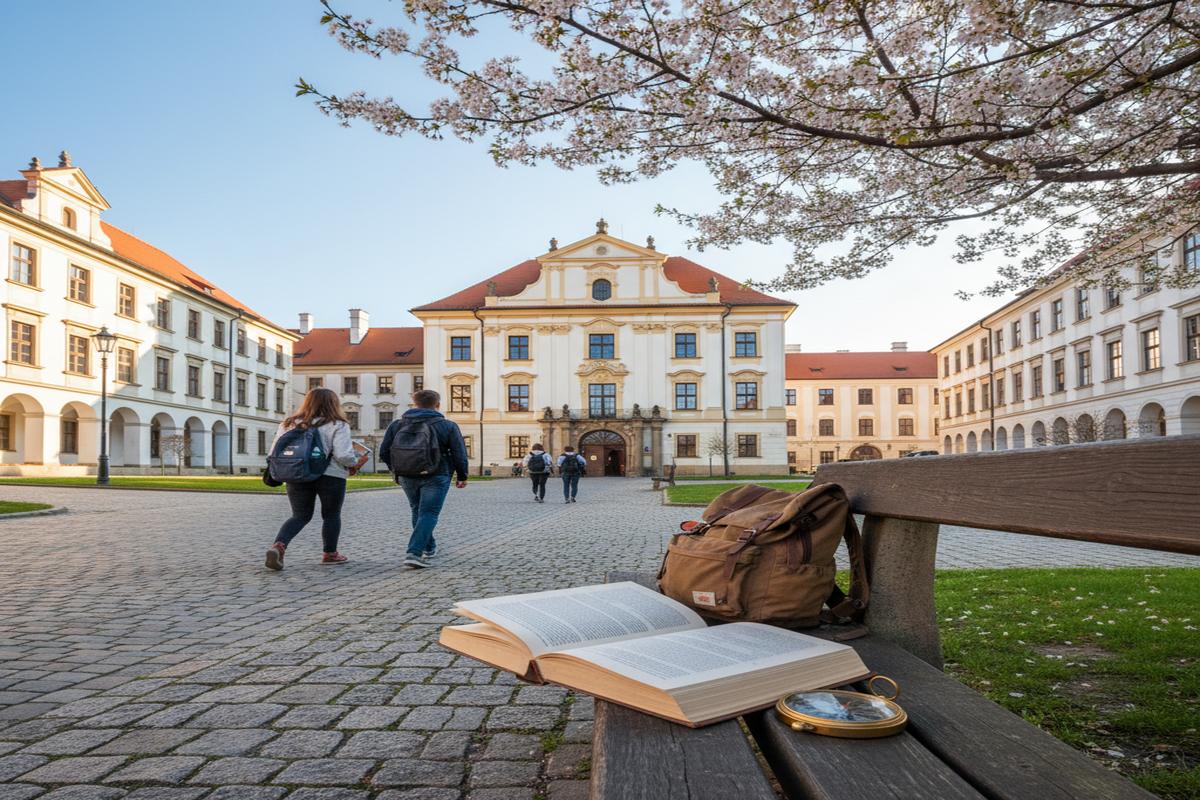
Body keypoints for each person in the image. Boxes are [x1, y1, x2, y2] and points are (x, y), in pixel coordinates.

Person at [265, 387, 368, 570]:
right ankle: (330, 554)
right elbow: (343, 455)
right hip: (331, 475)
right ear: (333, 404)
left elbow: (274, 452)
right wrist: (355, 462)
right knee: (331, 514)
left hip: (297, 472)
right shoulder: (337, 424)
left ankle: (279, 546)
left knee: (300, 515)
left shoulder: (289, 423)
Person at [380, 388, 470, 569]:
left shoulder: (397, 425)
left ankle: (429, 547)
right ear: (438, 405)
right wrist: (462, 475)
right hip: (437, 473)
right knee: (428, 513)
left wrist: (396, 470)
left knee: (417, 510)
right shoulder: (448, 426)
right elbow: (459, 453)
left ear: (414, 404)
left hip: (406, 475)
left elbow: (384, 452)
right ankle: (414, 553)